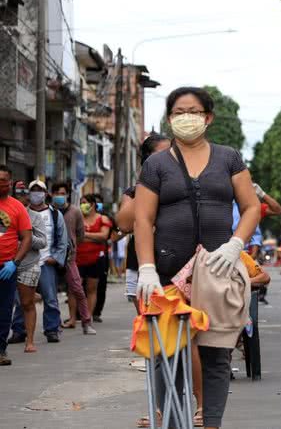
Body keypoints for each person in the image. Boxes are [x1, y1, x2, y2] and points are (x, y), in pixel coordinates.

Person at [134, 86, 260, 428]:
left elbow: (251, 207)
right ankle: (174, 420)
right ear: (169, 118)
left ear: (208, 117)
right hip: (167, 272)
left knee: (216, 355)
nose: (185, 118)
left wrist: (235, 244)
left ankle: (211, 422)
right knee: (170, 353)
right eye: (177, 112)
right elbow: (142, 219)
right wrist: (146, 268)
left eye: (193, 111)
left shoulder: (229, 157)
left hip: (218, 273)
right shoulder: (156, 164)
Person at [115, 133, 172, 312]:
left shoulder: (181, 187)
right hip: (141, 259)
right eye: (163, 155)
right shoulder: (134, 192)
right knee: (146, 313)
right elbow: (124, 224)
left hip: (173, 257)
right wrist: (149, 182)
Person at [8, 181, 68, 344]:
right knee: (22, 299)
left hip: (46, 262)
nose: (36, 194)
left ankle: (52, 329)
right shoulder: (22, 212)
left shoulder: (55, 214)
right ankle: (19, 330)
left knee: (50, 298)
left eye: (39, 190)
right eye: (33, 190)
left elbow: (63, 240)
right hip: (25, 263)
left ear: (45, 193)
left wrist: (55, 258)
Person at [6, 181, 46, 354]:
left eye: (24, 194)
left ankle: (29, 341)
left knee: (27, 303)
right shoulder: (6, 213)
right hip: (6, 264)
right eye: (18, 194)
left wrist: (25, 237)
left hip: (28, 264)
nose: (21, 198)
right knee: (6, 304)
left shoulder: (34, 216)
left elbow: (42, 241)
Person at [52, 182, 96, 335]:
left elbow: (80, 235)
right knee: (50, 293)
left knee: (78, 289)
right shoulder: (49, 211)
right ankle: (53, 325)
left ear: (67, 195)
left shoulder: (75, 212)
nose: (59, 196)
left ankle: (86, 322)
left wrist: (71, 246)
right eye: (57, 193)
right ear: (51, 194)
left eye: (62, 193)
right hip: (50, 258)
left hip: (69, 258)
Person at [0, 166, 32, 366]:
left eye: (4, 180)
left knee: (4, 310)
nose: (1, 183)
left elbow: (27, 238)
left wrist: (14, 262)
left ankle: (0, 350)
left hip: (6, 268)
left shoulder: (17, 207)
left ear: (10, 183)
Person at [75, 194, 112, 319]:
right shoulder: (78, 218)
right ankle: (74, 316)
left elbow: (103, 236)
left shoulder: (103, 219)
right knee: (76, 287)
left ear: (92, 205)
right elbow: (73, 236)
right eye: (81, 202)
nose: (82, 205)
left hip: (96, 258)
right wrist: (93, 236)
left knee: (92, 288)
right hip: (78, 258)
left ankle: (88, 316)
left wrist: (84, 235)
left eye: (84, 202)